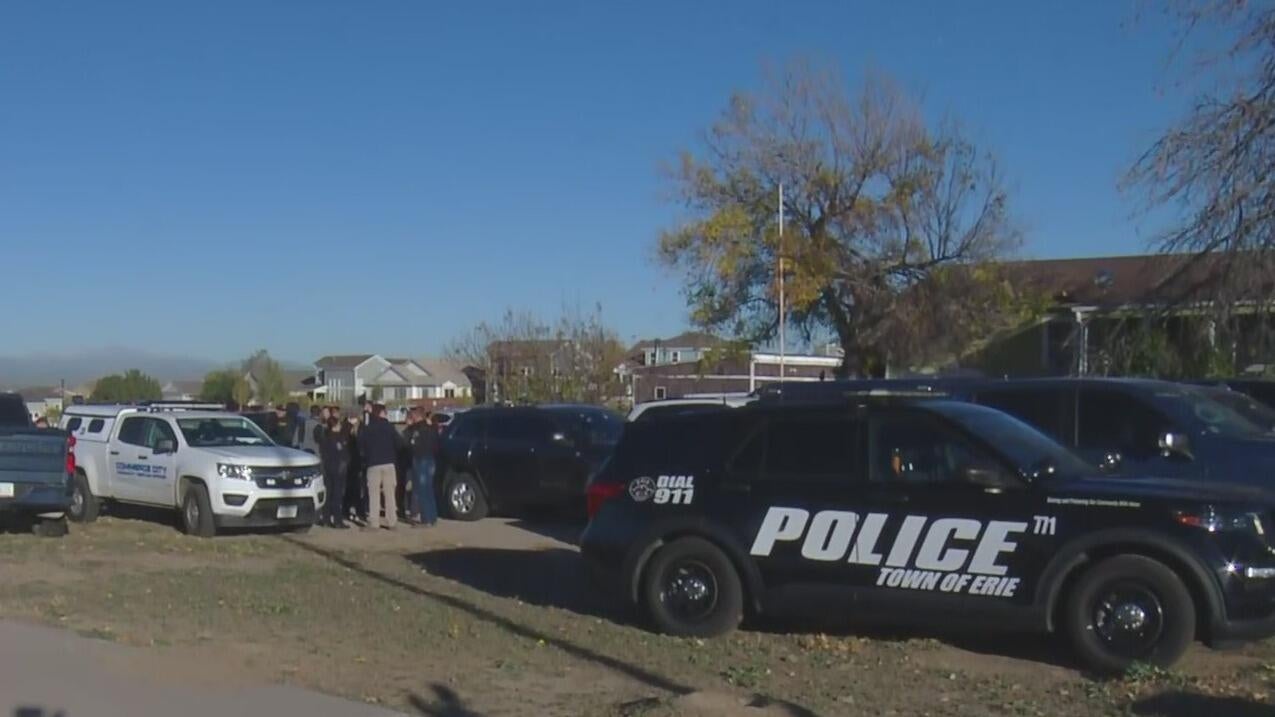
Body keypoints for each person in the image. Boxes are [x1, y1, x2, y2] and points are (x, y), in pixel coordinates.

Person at [358, 403, 403, 530]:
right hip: (389, 463)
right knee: (390, 494)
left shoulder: (368, 427)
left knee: (374, 494)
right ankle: (392, 521)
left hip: (373, 463)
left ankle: (374, 522)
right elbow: (399, 443)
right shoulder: (389, 427)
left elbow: (360, 443)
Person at [404, 409, 440, 526]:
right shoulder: (432, 429)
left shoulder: (417, 429)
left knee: (422, 491)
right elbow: (437, 444)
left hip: (421, 460)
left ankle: (426, 519)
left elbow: (412, 444)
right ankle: (432, 517)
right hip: (431, 460)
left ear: (417, 416)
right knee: (429, 490)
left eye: (413, 416)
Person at [318, 414, 352, 529]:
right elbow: (343, 454)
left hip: (327, 468)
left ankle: (326, 518)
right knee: (337, 495)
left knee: (328, 494)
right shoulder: (339, 438)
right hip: (338, 469)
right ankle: (337, 520)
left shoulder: (325, 437)